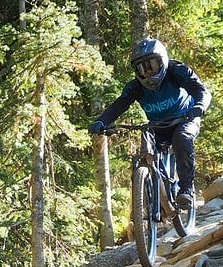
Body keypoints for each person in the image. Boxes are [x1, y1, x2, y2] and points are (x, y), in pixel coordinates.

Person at [89, 38, 211, 209]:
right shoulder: (135, 87)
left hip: (185, 118)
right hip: (157, 124)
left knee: (182, 138)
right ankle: (153, 192)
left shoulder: (177, 71)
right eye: (141, 68)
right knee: (147, 150)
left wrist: (199, 106)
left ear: (162, 61)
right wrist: (102, 121)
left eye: (151, 65)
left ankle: (186, 190)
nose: (147, 73)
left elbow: (201, 91)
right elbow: (120, 104)